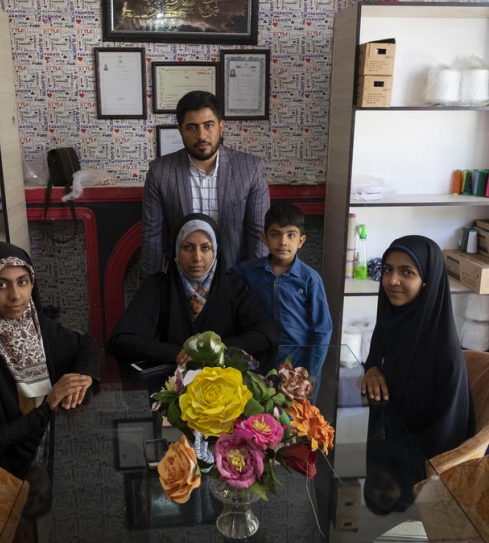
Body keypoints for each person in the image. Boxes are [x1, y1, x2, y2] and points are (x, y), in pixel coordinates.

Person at [0, 242, 100, 519]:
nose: (16, 296)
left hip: (42, 441)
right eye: (1, 285)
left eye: (22, 282)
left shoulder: (31, 322)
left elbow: (86, 344)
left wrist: (81, 376)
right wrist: (45, 409)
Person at [109, 213, 276, 371]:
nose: (197, 257)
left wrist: (216, 350)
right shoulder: (157, 286)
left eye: (205, 248)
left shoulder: (232, 286)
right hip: (167, 387)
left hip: (224, 386)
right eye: (188, 247)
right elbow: (122, 340)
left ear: (215, 251)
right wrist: (176, 354)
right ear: (176, 250)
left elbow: (266, 332)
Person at [360, 235, 475, 460]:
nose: (392, 281)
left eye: (407, 272)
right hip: (388, 442)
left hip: (423, 466)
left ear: (428, 281)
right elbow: (375, 358)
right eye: (387, 270)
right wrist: (372, 368)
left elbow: (447, 437)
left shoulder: (444, 354)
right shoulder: (391, 323)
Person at [139, 90, 270, 279]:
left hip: (235, 277)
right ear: (180, 130)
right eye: (192, 127)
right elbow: (152, 234)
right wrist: (152, 287)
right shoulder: (160, 172)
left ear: (221, 126)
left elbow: (259, 235)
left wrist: (253, 285)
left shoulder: (251, 169)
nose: (201, 135)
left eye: (208, 125)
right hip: (182, 279)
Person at [232, 203, 332, 394]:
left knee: (297, 421)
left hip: (298, 369)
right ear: (264, 239)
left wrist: (311, 373)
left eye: (291, 235)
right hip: (258, 368)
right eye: (276, 234)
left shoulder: (310, 279)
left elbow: (322, 330)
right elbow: (223, 281)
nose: (283, 242)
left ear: (301, 241)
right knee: (259, 420)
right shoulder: (248, 272)